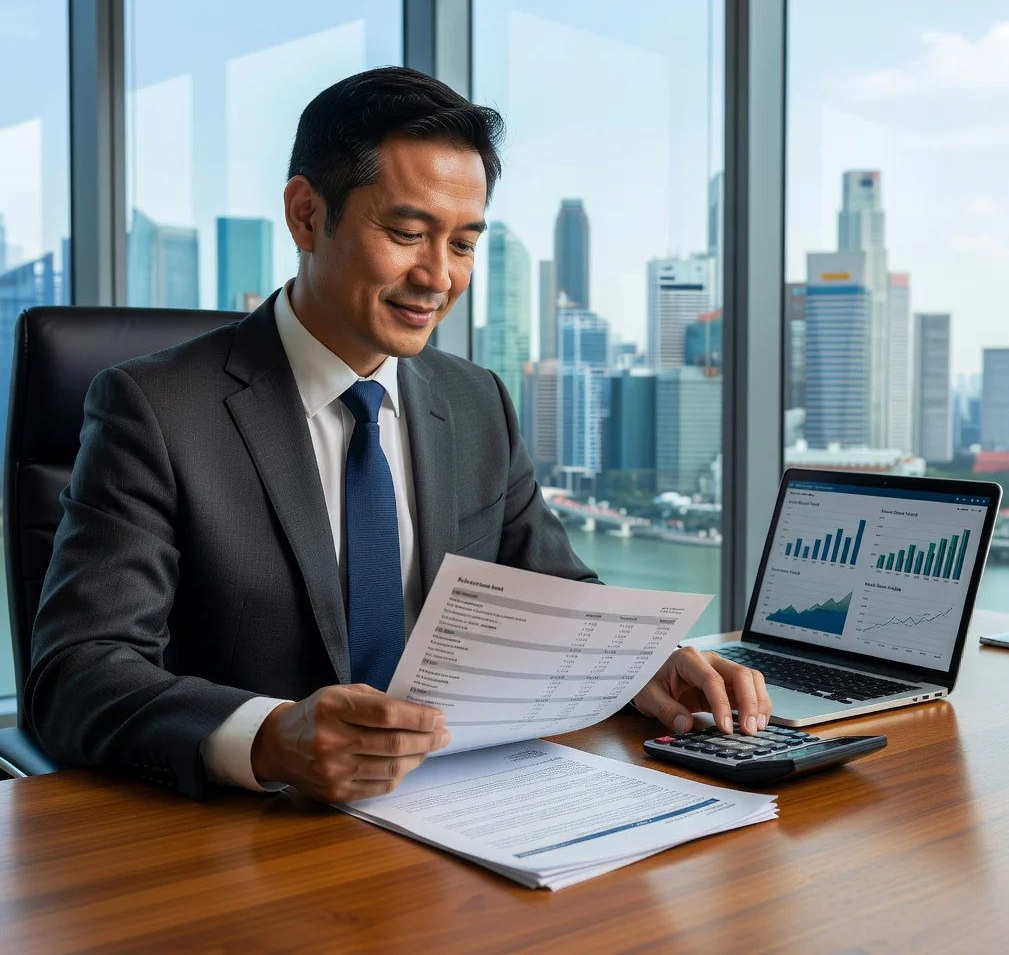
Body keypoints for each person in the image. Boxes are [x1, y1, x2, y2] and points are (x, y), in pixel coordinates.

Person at [27, 67, 770, 803]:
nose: (438, 277)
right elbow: (78, 670)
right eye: (408, 233)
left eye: (464, 244)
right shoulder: (153, 409)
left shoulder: (476, 401)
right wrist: (269, 737)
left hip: (469, 808)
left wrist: (645, 665)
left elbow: (557, 592)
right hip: (256, 836)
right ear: (306, 215)